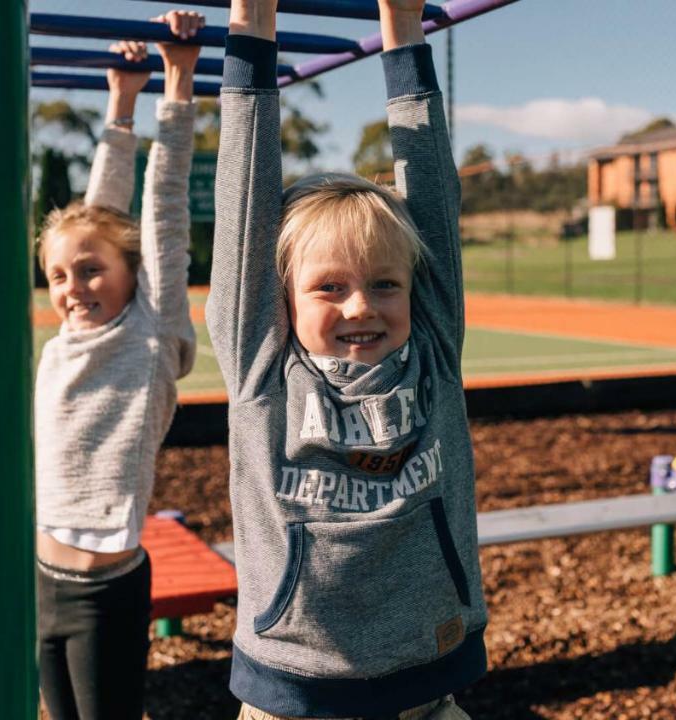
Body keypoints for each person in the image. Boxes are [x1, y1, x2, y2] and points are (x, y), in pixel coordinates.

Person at [208, 1, 485, 717]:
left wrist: (402, 28)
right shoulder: (265, 369)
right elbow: (245, 205)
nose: (361, 307)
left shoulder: (431, 350)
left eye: (383, 285)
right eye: (330, 288)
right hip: (295, 686)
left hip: (427, 674)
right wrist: (252, 22)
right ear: (284, 298)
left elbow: (429, 191)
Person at [32, 10, 204, 718]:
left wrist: (176, 79)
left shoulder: (151, 334)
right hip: (40, 578)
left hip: (107, 590)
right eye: (58, 276)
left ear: (133, 273)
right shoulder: (63, 343)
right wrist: (120, 100)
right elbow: (95, 223)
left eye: (91, 272)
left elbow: (158, 207)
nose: (74, 287)